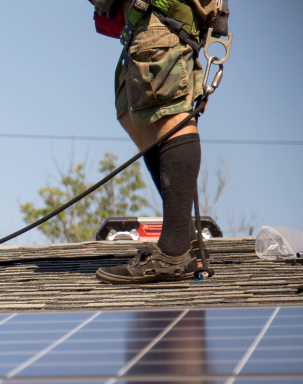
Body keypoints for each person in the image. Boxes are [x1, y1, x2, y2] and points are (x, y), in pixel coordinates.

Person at [91, 0, 223, 284]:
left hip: (160, 15)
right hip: (143, 20)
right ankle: (184, 239)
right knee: (131, 110)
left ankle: (174, 251)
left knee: (169, 113)